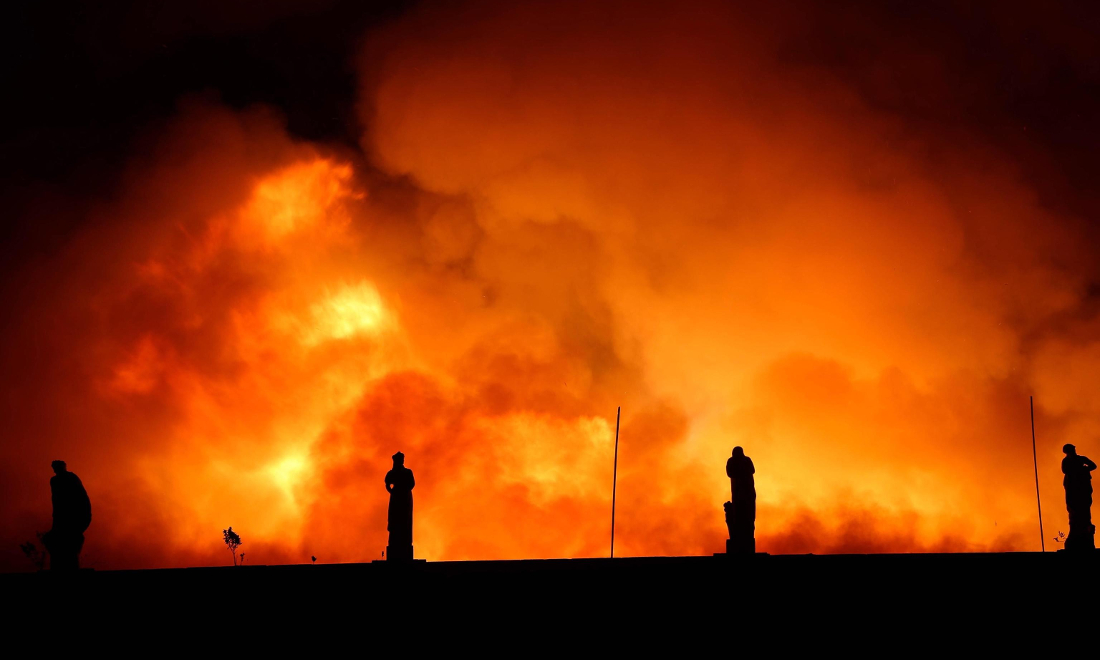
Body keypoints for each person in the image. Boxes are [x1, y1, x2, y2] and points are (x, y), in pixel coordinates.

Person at [42, 460, 91, 571]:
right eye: (53, 467)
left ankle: (68, 566)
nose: (54, 469)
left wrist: (82, 514)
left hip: (72, 515)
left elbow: (80, 496)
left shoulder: (71, 478)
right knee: (53, 540)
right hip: (60, 515)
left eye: (56, 466)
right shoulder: (54, 480)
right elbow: (56, 499)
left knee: (68, 542)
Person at [1062, 444, 1096, 551]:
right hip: (1072, 489)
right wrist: (1080, 470)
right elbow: (1065, 470)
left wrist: (1084, 469)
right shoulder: (1066, 461)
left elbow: (1093, 466)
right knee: (1073, 510)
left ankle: (1085, 529)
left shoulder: (1081, 459)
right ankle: (1077, 530)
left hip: (1082, 489)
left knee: (1084, 510)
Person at [385, 452, 415, 561]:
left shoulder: (407, 472)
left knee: (405, 521)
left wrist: (399, 490)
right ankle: (394, 542)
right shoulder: (392, 473)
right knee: (394, 520)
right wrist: (392, 491)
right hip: (397, 498)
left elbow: (412, 484)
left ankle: (405, 542)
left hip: (405, 499)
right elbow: (387, 484)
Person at [725, 447, 756, 553]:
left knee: (749, 516)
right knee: (737, 515)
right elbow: (729, 473)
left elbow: (752, 470)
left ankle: (748, 535)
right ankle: (738, 535)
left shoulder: (746, 460)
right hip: (737, 494)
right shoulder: (731, 461)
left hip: (748, 493)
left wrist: (741, 471)